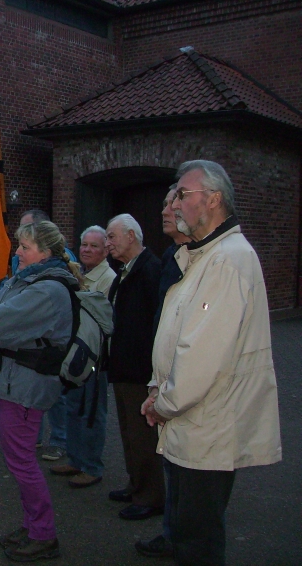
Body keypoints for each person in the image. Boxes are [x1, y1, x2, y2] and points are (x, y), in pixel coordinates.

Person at [143, 160, 281, 566]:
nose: (174, 204)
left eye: (183, 195)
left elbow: (200, 358)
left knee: (197, 540)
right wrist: (157, 387)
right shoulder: (201, 256)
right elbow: (175, 336)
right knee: (187, 530)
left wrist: (162, 403)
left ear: (214, 199)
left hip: (207, 427)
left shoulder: (225, 260)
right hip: (193, 423)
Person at [0, 220, 83, 561]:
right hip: (14, 381)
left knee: (22, 462)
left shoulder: (46, 290)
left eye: (25, 247)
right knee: (19, 459)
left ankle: (43, 534)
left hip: (23, 385)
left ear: (45, 252)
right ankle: (33, 524)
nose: (17, 252)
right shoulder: (27, 280)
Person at [135, 184, 190, 559]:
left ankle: (182, 537)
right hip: (164, 374)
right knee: (172, 463)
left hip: (186, 383)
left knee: (189, 477)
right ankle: (172, 532)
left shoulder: (210, 261)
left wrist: (166, 393)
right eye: (166, 202)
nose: (165, 210)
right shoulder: (173, 255)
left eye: (175, 202)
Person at [105, 214, 164, 520]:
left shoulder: (150, 271)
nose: (108, 243)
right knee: (129, 432)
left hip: (140, 370)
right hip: (123, 366)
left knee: (143, 436)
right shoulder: (126, 271)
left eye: (111, 236)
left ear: (131, 236)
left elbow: (157, 323)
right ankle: (136, 483)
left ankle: (151, 496)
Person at [49, 225, 115, 488]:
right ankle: (76, 459)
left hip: (95, 358)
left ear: (105, 250)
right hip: (76, 354)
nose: (86, 250)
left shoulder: (108, 279)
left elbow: (105, 321)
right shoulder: (80, 274)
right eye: (84, 244)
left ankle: (92, 466)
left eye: (93, 246)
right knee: (74, 408)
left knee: (92, 412)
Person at [14, 210, 71, 461]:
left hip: (49, 349)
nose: (18, 251)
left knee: (55, 396)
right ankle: (33, 438)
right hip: (31, 347)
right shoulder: (25, 265)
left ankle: (58, 440)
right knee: (31, 395)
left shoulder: (54, 277)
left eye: (25, 245)